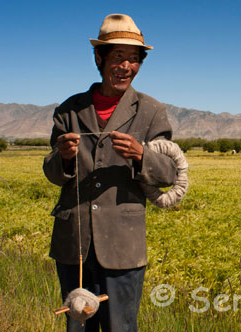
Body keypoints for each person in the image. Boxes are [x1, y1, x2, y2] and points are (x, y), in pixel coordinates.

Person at [43, 14, 177, 332]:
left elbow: (169, 173)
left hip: (123, 246)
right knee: (77, 324)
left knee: (121, 327)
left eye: (133, 59)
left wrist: (142, 155)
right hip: (73, 243)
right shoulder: (69, 110)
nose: (125, 67)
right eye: (118, 57)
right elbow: (51, 171)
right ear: (99, 58)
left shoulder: (151, 111)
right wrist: (63, 158)